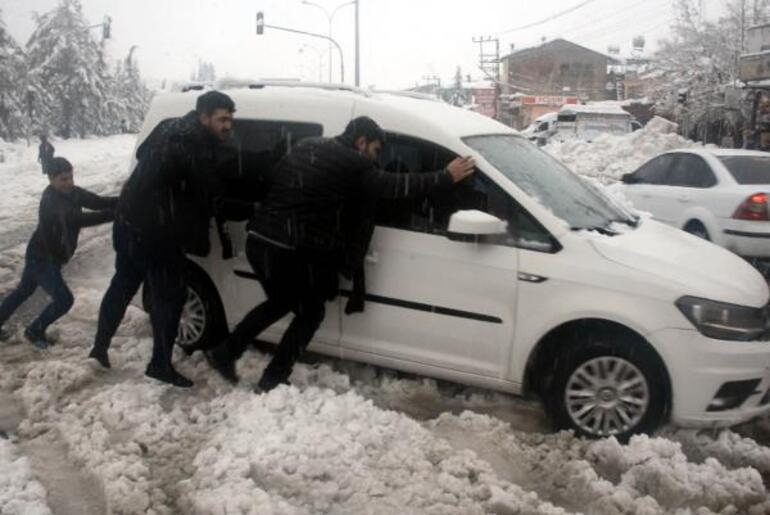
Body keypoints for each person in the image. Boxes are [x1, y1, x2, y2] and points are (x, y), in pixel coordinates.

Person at [206, 116, 476, 392]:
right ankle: (270, 377)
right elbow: (393, 186)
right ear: (361, 142)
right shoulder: (354, 162)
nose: (375, 158)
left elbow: (277, 180)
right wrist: (446, 176)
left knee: (281, 303)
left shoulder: (308, 145)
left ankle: (229, 354)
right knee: (309, 312)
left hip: (261, 239)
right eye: (375, 150)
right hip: (284, 248)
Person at [87, 91, 253, 388]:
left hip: (128, 220)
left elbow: (142, 154)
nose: (228, 126)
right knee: (170, 296)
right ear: (204, 117)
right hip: (158, 232)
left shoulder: (170, 126)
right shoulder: (195, 148)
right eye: (222, 119)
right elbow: (212, 195)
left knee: (123, 284)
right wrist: (251, 207)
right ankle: (159, 365)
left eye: (231, 118)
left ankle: (99, 349)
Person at [0, 157, 116, 347]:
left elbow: (99, 202)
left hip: (45, 255)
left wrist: (128, 199)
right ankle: (34, 331)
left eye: (70, 177)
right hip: (42, 258)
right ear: (51, 180)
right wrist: (116, 213)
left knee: (23, 291)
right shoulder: (50, 203)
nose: (69, 182)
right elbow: (78, 219)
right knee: (64, 300)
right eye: (63, 179)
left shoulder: (73, 193)